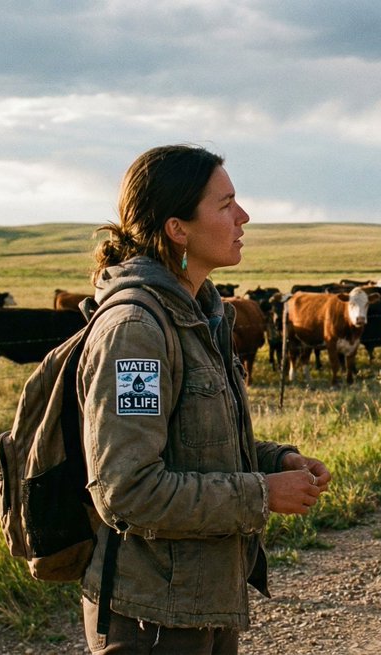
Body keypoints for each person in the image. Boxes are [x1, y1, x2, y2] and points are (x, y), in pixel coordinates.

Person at [78, 144, 332, 654]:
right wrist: (262, 492)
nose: (243, 217)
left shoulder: (200, 313)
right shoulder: (136, 333)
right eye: (226, 204)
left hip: (201, 597)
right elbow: (127, 489)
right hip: (152, 617)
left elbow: (190, 446)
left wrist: (274, 460)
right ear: (178, 229)